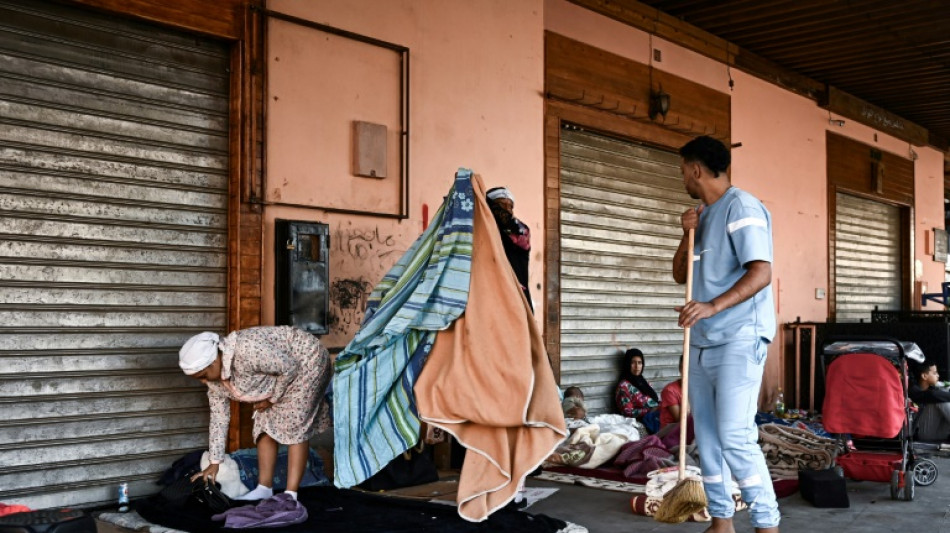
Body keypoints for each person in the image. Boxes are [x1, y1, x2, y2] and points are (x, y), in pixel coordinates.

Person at [672, 135, 780, 533]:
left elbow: (761, 272)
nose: (683, 177)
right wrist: (686, 234)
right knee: (708, 439)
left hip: (739, 338)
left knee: (735, 436)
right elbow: (680, 275)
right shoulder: (701, 214)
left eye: (683, 170)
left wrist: (712, 306)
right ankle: (721, 523)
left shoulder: (742, 207)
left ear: (696, 169)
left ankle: (767, 525)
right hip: (702, 342)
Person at [179, 326, 332, 501]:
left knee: (295, 424)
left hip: (307, 360)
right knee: (263, 425)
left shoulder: (246, 350)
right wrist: (215, 462)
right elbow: (219, 419)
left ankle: (290, 494)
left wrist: (272, 399)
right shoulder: (214, 383)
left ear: (214, 362)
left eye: (203, 375)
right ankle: (264, 488)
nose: (203, 381)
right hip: (282, 372)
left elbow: (289, 367)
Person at [486, 186, 533, 311]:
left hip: (516, 298)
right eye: (501, 205)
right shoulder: (482, 231)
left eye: (510, 207)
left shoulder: (520, 231)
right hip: (490, 296)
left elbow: (505, 222)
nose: (507, 210)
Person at [615, 348, 660, 431]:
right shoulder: (623, 387)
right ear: (627, 364)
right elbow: (627, 412)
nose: (637, 366)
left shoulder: (644, 383)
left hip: (655, 418)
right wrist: (650, 410)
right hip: (640, 424)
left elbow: (654, 401)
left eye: (639, 363)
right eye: (633, 363)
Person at [909, 360, 950, 442]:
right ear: (924, 376)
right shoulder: (913, 389)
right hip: (921, 434)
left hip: (935, 431)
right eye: (935, 373)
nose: (938, 375)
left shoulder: (932, 389)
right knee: (941, 400)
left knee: (942, 395)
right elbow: (932, 395)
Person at [658, 355, 694, 444]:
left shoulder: (698, 388)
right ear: (680, 369)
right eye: (683, 368)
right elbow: (681, 419)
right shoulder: (669, 390)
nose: (686, 371)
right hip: (672, 433)